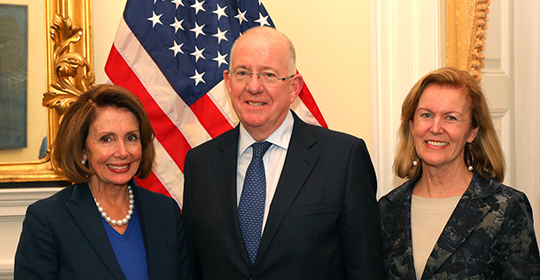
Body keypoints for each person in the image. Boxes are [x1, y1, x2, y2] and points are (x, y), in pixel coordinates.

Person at [182, 26, 384, 280]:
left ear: (294, 87)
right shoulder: (200, 163)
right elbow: (192, 269)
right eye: (243, 73)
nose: (254, 87)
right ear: (229, 82)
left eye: (269, 75)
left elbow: (365, 271)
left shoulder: (343, 159)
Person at [14, 85, 189, 280]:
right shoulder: (47, 220)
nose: (123, 152)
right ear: (82, 150)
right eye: (107, 139)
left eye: (131, 137)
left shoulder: (165, 212)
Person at [379, 67, 540, 279]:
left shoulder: (505, 207)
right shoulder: (388, 209)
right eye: (426, 115)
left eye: (451, 118)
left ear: (472, 132)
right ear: (411, 125)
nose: (436, 128)